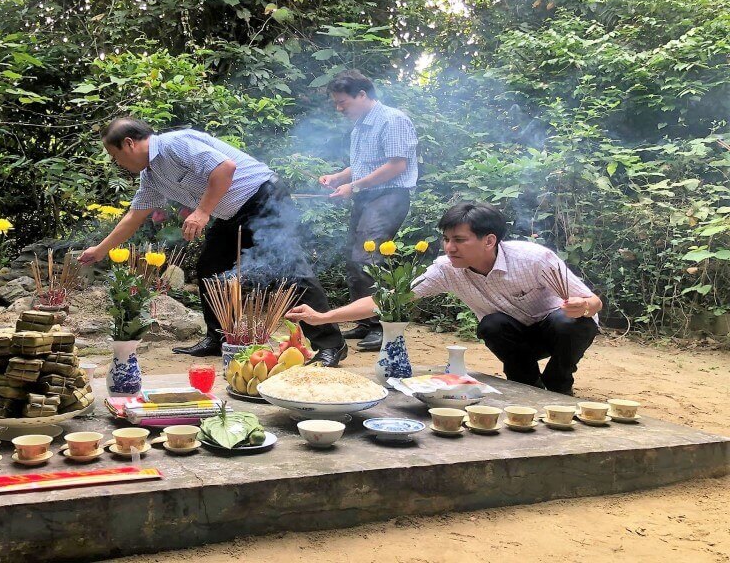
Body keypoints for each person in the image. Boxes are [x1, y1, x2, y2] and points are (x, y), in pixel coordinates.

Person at [78, 118, 348, 367]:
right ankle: (218, 338)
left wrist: (202, 211)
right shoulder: (151, 175)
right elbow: (135, 215)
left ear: (129, 143)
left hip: (264, 199)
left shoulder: (175, 144)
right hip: (230, 212)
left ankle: (331, 345)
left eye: (116, 157)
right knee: (211, 266)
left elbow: (224, 168)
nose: (118, 163)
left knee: (290, 270)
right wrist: (101, 250)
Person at [286, 202, 602, 395]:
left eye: (459, 240)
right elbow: (390, 300)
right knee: (492, 325)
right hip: (515, 335)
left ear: (489, 240)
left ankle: (559, 383)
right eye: (447, 239)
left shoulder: (533, 259)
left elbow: (593, 303)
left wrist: (583, 305)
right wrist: (325, 318)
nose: (450, 248)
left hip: (554, 329)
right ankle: (527, 386)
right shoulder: (446, 270)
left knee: (570, 321)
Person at [319, 70, 418, 352]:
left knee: (368, 258)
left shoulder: (393, 120)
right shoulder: (361, 124)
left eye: (343, 102)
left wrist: (354, 186)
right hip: (366, 197)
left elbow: (396, 166)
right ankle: (364, 320)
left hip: (389, 196)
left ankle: (380, 326)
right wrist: (339, 177)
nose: (339, 108)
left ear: (362, 95)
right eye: (336, 103)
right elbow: (364, 165)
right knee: (353, 258)